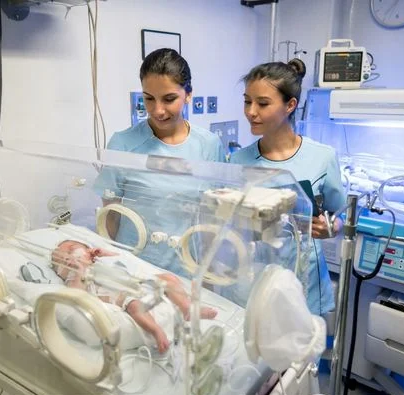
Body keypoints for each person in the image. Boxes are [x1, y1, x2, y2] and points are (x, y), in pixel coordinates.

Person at [229, 59, 346, 316]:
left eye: (262, 103)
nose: (251, 111)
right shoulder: (239, 161)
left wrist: (331, 227)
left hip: (303, 278)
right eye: (247, 101)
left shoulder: (321, 157)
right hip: (253, 279)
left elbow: (339, 216)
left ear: (290, 105)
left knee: (299, 351)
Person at [93, 48, 225, 276]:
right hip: (134, 265)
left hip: (186, 268)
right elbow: (110, 216)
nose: (157, 110)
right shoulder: (123, 143)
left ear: (188, 94)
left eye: (169, 99)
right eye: (149, 99)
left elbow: (212, 219)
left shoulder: (209, 145)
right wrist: (110, 268)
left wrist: (208, 275)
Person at [52, 239, 217, 353]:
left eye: (72, 248)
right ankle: (156, 330)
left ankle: (187, 307)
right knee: (135, 306)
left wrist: (103, 253)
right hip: (121, 295)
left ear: (89, 252)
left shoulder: (100, 262)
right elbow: (75, 294)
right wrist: (78, 270)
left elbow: (122, 259)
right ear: (60, 273)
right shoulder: (75, 277)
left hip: (139, 283)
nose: (68, 255)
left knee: (168, 278)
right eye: (61, 259)